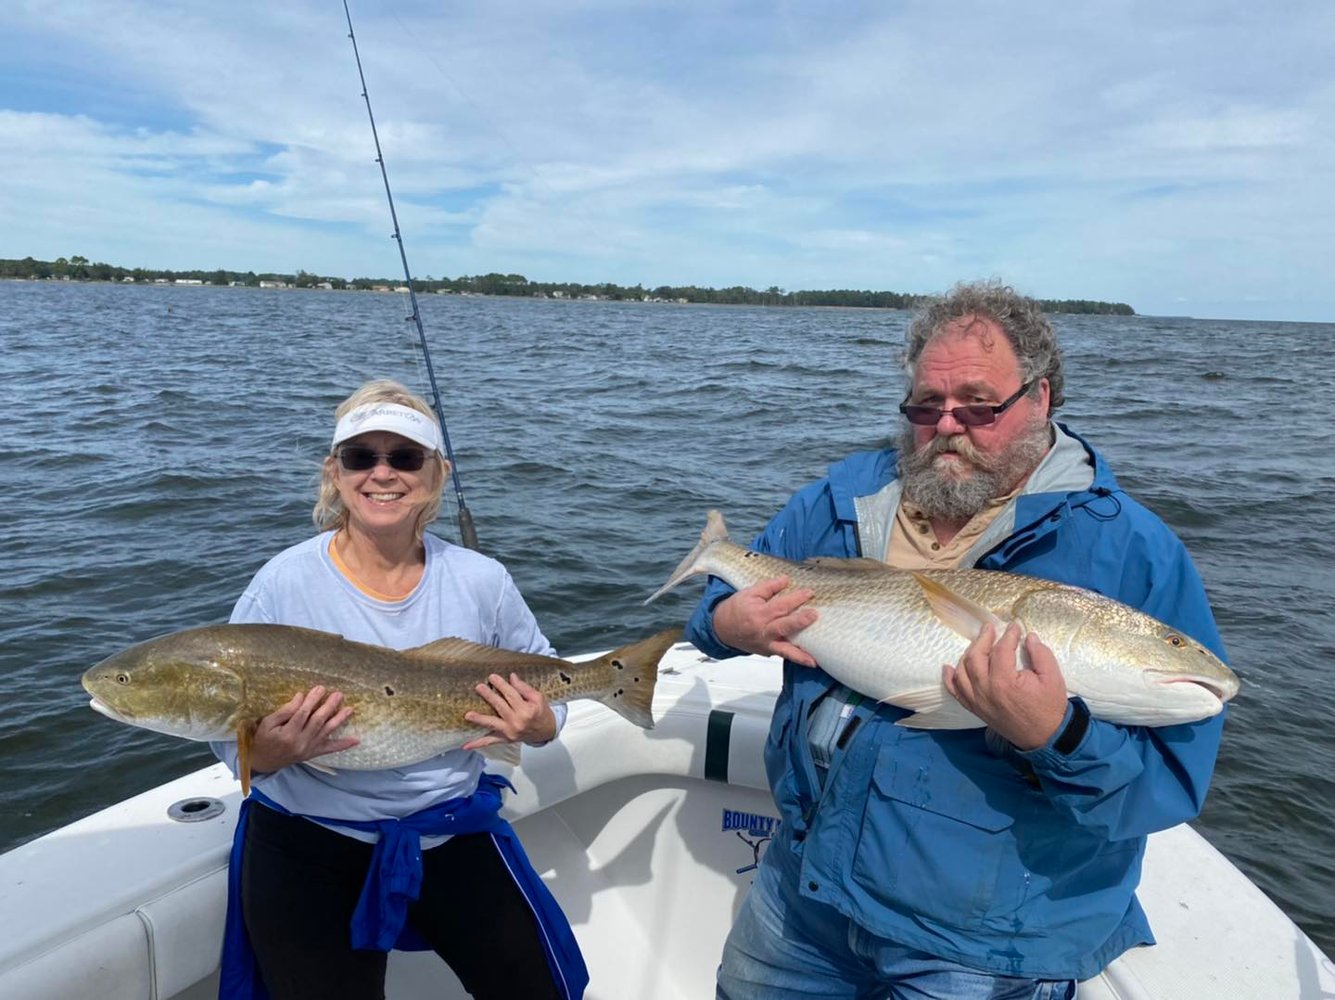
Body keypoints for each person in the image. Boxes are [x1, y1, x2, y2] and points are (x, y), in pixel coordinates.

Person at [685, 281, 1230, 999]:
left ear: (1039, 399)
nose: (947, 425)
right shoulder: (843, 496)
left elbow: (1166, 786)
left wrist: (1055, 736)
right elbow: (715, 618)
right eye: (924, 406)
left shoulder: (1130, 552)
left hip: (982, 946)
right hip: (801, 893)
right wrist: (726, 625)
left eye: (978, 405)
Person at [211, 379, 586, 1000]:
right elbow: (226, 727)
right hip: (307, 843)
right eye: (361, 457)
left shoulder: (481, 579)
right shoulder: (282, 583)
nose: (382, 474)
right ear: (335, 472)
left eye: (405, 457)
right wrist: (267, 754)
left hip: (450, 830)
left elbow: (552, 680)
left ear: (436, 475)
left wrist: (543, 725)